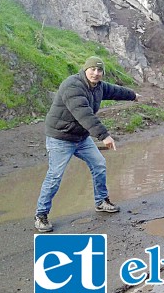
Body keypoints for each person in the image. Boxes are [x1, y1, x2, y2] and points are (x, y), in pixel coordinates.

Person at [34, 56, 139, 232]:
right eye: (92, 69)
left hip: (81, 137)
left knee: (99, 164)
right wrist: (104, 135)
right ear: (85, 69)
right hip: (60, 137)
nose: (96, 73)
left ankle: (101, 201)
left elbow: (114, 91)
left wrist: (133, 95)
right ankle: (41, 215)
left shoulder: (98, 87)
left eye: (99, 70)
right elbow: (83, 114)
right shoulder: (72, 86)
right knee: (55, 176)